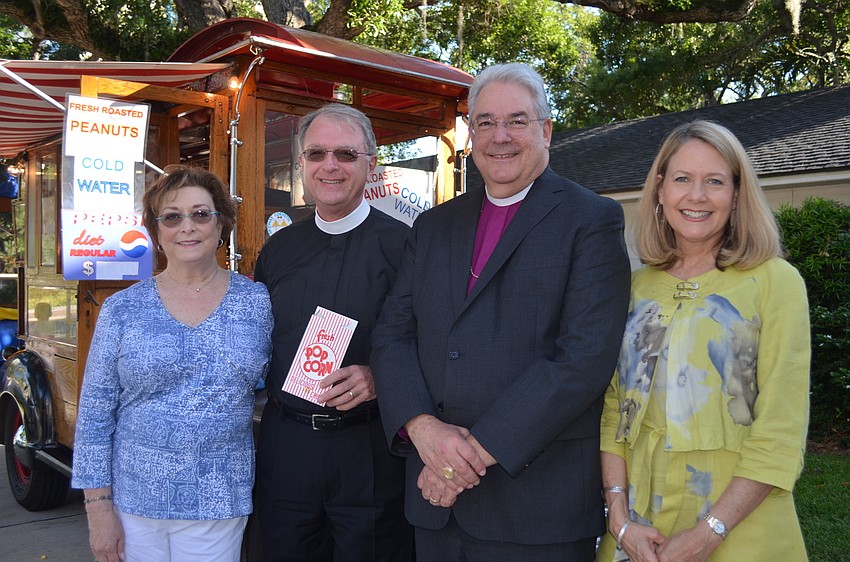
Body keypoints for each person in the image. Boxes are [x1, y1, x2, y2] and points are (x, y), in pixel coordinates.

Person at [370, 62, 631, 561]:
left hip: (537, 506)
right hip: (434, 507)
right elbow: (393, 334)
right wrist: (422, 429)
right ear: (470, 135)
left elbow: (582, 359)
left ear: (546, 130)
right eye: (485, 122)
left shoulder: (591, 220)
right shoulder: (433, 227)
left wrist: (458, 462)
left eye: (517, 120)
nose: (501, 136)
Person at [596, 120, 810, 562]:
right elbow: (615, 408)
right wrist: (619, 517)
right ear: (659, 190)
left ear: (736, 194)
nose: (696, 196)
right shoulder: (633, 287)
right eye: (682, 179)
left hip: (740, 528)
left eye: (715, 181)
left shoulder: (776, 282)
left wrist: (708, 533)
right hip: (639, 531)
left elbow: (781, 430)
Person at [71, 166, 273, 562]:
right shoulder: (122, 309)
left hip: (219, 499)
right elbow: (94, 414)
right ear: (156, 230)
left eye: (201, 213)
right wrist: (97, 508)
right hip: (133, 504)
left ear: (221, 225)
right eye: (172, 216)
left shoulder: (258, 303)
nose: (187, 227)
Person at [254, 104, 413, 562]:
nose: (330, 165)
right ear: (301, 164)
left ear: (371, 163)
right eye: (316, 153)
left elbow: (436, 341)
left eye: (345, 154)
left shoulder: (406, 246)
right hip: (287, 447)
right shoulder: (278, 250)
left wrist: (380, 377)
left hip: (368, 449)